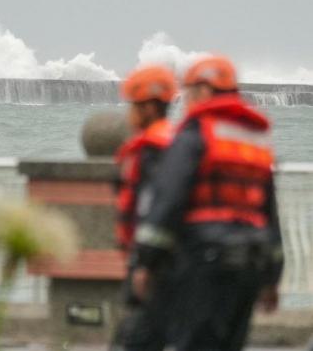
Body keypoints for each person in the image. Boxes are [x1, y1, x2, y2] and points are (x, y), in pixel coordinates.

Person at [133, 55, 284, 351]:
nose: (185, 101)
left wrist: (146, 261)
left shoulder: (195, 134)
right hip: (250, 266)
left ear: (203, 91)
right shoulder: (255, 140)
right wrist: (272, 277)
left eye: (187, 93)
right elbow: (270, 215)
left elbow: (169, 200)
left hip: (206, 262)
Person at [111, 65, 177, 351]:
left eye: (134, 105)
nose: (130, 112)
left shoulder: (154, 150)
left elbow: (157, 208)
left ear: (150, 107)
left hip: (155, 266)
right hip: (164, 262)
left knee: (134, 341)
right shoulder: (174, 142)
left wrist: (146, 264)